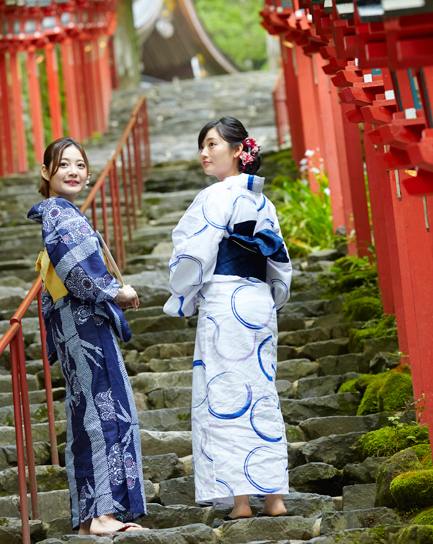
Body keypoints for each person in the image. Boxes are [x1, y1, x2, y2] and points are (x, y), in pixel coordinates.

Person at [165, 117, 293, 520]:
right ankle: (274, 497)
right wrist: (270, 298)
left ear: (239, 150)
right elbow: (280, 266)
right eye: (202, 145)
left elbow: (193, 255)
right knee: (262, 393)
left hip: (224, 301)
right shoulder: (263, 201)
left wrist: (183, 295)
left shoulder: (214, 197)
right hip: (257, 302)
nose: (204, 153)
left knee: (225, 395)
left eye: (213, 144)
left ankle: (240, 502)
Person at [27, 137, 148, 535]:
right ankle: (103, 515)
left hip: (73, 326)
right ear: (46, 172)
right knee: (104, 410)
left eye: (80, 165)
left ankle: (89, 517)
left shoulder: (60, 213)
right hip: (84, 325)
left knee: (87, 413)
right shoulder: (61, 215)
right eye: (64, 165)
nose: (74, 171)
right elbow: (75, 268)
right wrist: (115, 292)